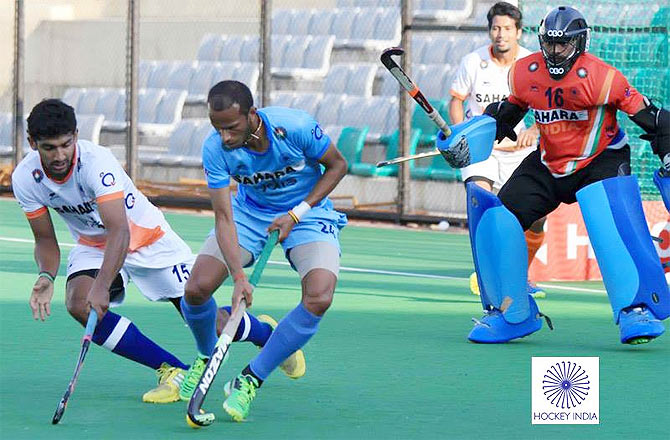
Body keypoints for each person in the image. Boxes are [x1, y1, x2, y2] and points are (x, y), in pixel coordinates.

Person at [459, 6, 670, 344]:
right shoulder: (525, 72)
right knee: (499, 219)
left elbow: (653, 119)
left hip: (600, 160)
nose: (555, 52)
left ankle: (636, 310)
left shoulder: (604, 78)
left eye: (563, 45)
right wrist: (473, 134)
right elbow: (510, 112)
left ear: (580, 43)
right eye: (549, 44)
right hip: (549, 161)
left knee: (611, 228)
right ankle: (512, 313)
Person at [178, 80, 348, 422]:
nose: (224, 137)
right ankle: (203, 356)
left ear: (252, 114)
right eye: (217, 128)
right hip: (249, 214)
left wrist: (296, 213)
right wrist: (239, 277)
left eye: (232, 128)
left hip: (307, 212)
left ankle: (250, 378)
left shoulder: (295, 126)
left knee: (319, 296)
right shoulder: (215, 149)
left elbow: (338, 166)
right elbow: (225, 217)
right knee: (196, 289)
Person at [11, 99, 197, 403]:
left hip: (148, 240)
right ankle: (173, 369)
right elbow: (45, 241)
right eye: (49, 148)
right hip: (94, 244)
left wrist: (101, 286)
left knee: (207, 319)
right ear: (32, 143)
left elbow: (120, 231)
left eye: (65, 144)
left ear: (76, 135)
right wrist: (46, 275)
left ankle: (265, 335)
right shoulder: (25, 178)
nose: (59, 156)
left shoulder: (97, 163)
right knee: (79, 304)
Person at [449, 1, 547, 298]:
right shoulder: (472, 62)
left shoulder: (534, 63)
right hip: (482, 149)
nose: (500, 34)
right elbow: (456, 101)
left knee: (538, 217)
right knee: (484, 201)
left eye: (506, 28)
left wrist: (535, 129)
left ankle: (521, 276)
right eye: (495, 28)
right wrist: (461, 134)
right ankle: (487, 274)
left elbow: (550, 104)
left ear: (518, 32)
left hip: (518, 152)